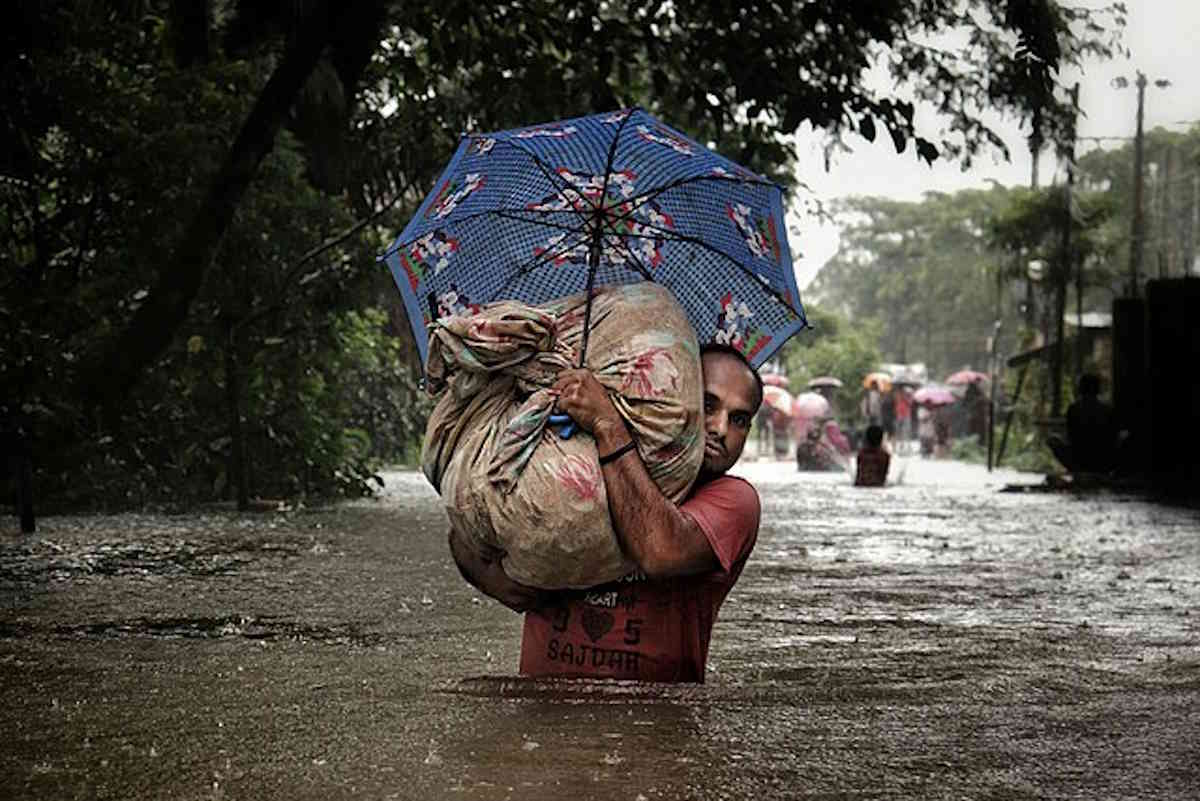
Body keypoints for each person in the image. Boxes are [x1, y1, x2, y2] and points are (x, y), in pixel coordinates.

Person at [448, 343, 763, 683]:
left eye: (739, 419)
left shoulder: (735, 502)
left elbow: (660, 550)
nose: (720, 428)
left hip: (652, 728)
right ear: (678, 398)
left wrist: (605, 422)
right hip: (541, 718)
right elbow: (469, 530)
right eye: (707, 405)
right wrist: (493, 577)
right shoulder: (573, 469)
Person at [1048, 373, 1118, 475]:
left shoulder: (1074, 409)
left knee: (1052, 440)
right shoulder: (1106, 409)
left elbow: (1071, 436)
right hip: (1104, 462)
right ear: (1098, 389)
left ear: (1080, 388)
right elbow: (1113, 437)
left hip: (1079, 461)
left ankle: (1078, 470)